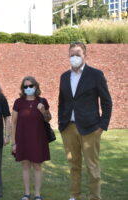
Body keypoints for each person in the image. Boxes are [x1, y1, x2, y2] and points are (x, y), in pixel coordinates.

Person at [58, 42, 112, 200]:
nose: (74, 57)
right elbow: (62, 102)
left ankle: (94, 197)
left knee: (92, 166)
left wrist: (102, 125)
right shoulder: (64, 76)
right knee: (73, 165)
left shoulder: (95, 74)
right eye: (71, 54)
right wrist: (62, 123)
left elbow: (107, 102)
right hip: (69, 128)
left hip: (91, 128)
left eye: (78, 54)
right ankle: (75, 195)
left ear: (84, 55)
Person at [11, 76, 51, 200]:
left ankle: (37, 194)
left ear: (36, 86)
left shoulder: (42, 101)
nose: (28, 88)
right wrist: (14, 143)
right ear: (23, 89)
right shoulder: (18, 102)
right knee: (25, 165)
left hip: (38, 139)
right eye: (25, 86)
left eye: (30, 86)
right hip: (22, 139)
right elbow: (13, 123)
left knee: (37, 166)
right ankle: (27, 194)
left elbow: (48, 118)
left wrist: (43, 110)